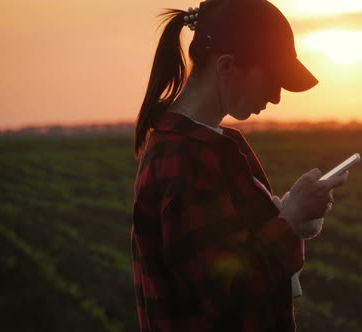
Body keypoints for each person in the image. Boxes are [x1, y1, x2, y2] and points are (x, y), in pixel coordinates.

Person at [131, 0, 350, 331]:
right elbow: (224, 295)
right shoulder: (181, 158)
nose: (276, 97)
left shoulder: (211, 146)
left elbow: (234, 252)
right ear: (227, 66)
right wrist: (288, 223)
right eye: (271, 79)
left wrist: (293, 211)